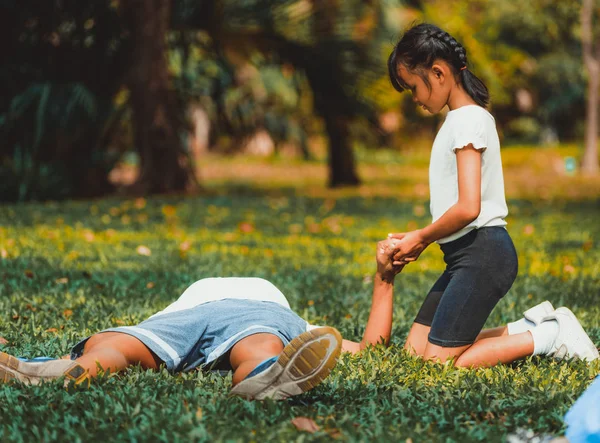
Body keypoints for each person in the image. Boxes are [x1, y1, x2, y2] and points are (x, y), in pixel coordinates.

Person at [385, 23, 598, 367]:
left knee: (436, 364)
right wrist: (423, 242)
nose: (415, 99)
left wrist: (421, 238)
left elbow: (470, 207)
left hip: (483, 254)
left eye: (413, 88)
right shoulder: (457, 120)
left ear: (438, 73)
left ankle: (548, 336)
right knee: (414, 352)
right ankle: (527, 326)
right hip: (461, 256)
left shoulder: (468, 120)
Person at [0, 239, 405, 399]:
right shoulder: (298, 324)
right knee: (263, 345)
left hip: (182, 315)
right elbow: (371, 347)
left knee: (118, 345)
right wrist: (383, 280)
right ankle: (263, 376)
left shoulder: (292, 323)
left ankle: (65, 369)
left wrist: (384, 277)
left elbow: (374, 351)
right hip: (259, 313)